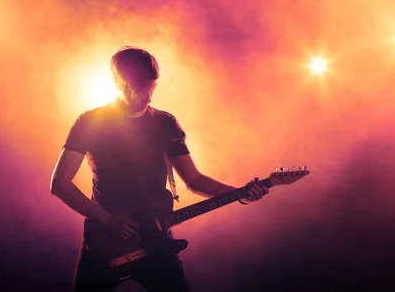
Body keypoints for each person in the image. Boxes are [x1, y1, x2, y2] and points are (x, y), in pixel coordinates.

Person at [50, 46, 269, 292]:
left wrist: (238, 192)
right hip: (104, 241)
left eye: (152, 87)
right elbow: (59, 184)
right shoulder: (89, 122)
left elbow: (193, 180)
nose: (149, 96)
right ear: (118, 83)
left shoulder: (165, 123)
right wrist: (108, 221)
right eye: (141, 88)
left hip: (156, 241)